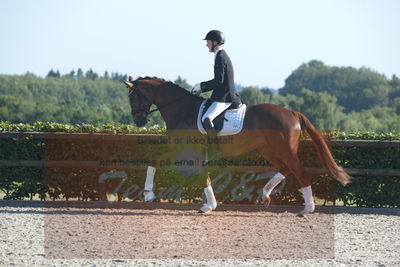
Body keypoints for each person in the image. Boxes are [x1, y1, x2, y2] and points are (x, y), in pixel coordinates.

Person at [192, 30, 241, 136]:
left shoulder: (220, 57)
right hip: (222, 95)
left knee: (206, 119)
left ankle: (214, 151)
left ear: (215, 42)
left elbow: (219, 81)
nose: (206, 45)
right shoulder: (220, 55)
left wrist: (202, 86)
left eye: (208, 42)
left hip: (225, 98)